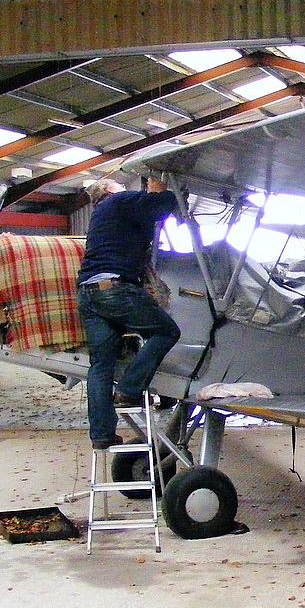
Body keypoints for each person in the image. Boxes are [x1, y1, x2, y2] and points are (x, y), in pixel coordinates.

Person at [77, 176, 181, 449]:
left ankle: (101, 434)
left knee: (100, 365)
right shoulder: (118, 201)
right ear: (110, 192)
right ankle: (129, 389)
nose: (127, 191)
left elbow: (144, 218)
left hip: (89, 293)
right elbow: (163, 205)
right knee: (167, 331)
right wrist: (160, 192)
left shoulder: (102, 215)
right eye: (122, 188)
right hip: (115, 288)